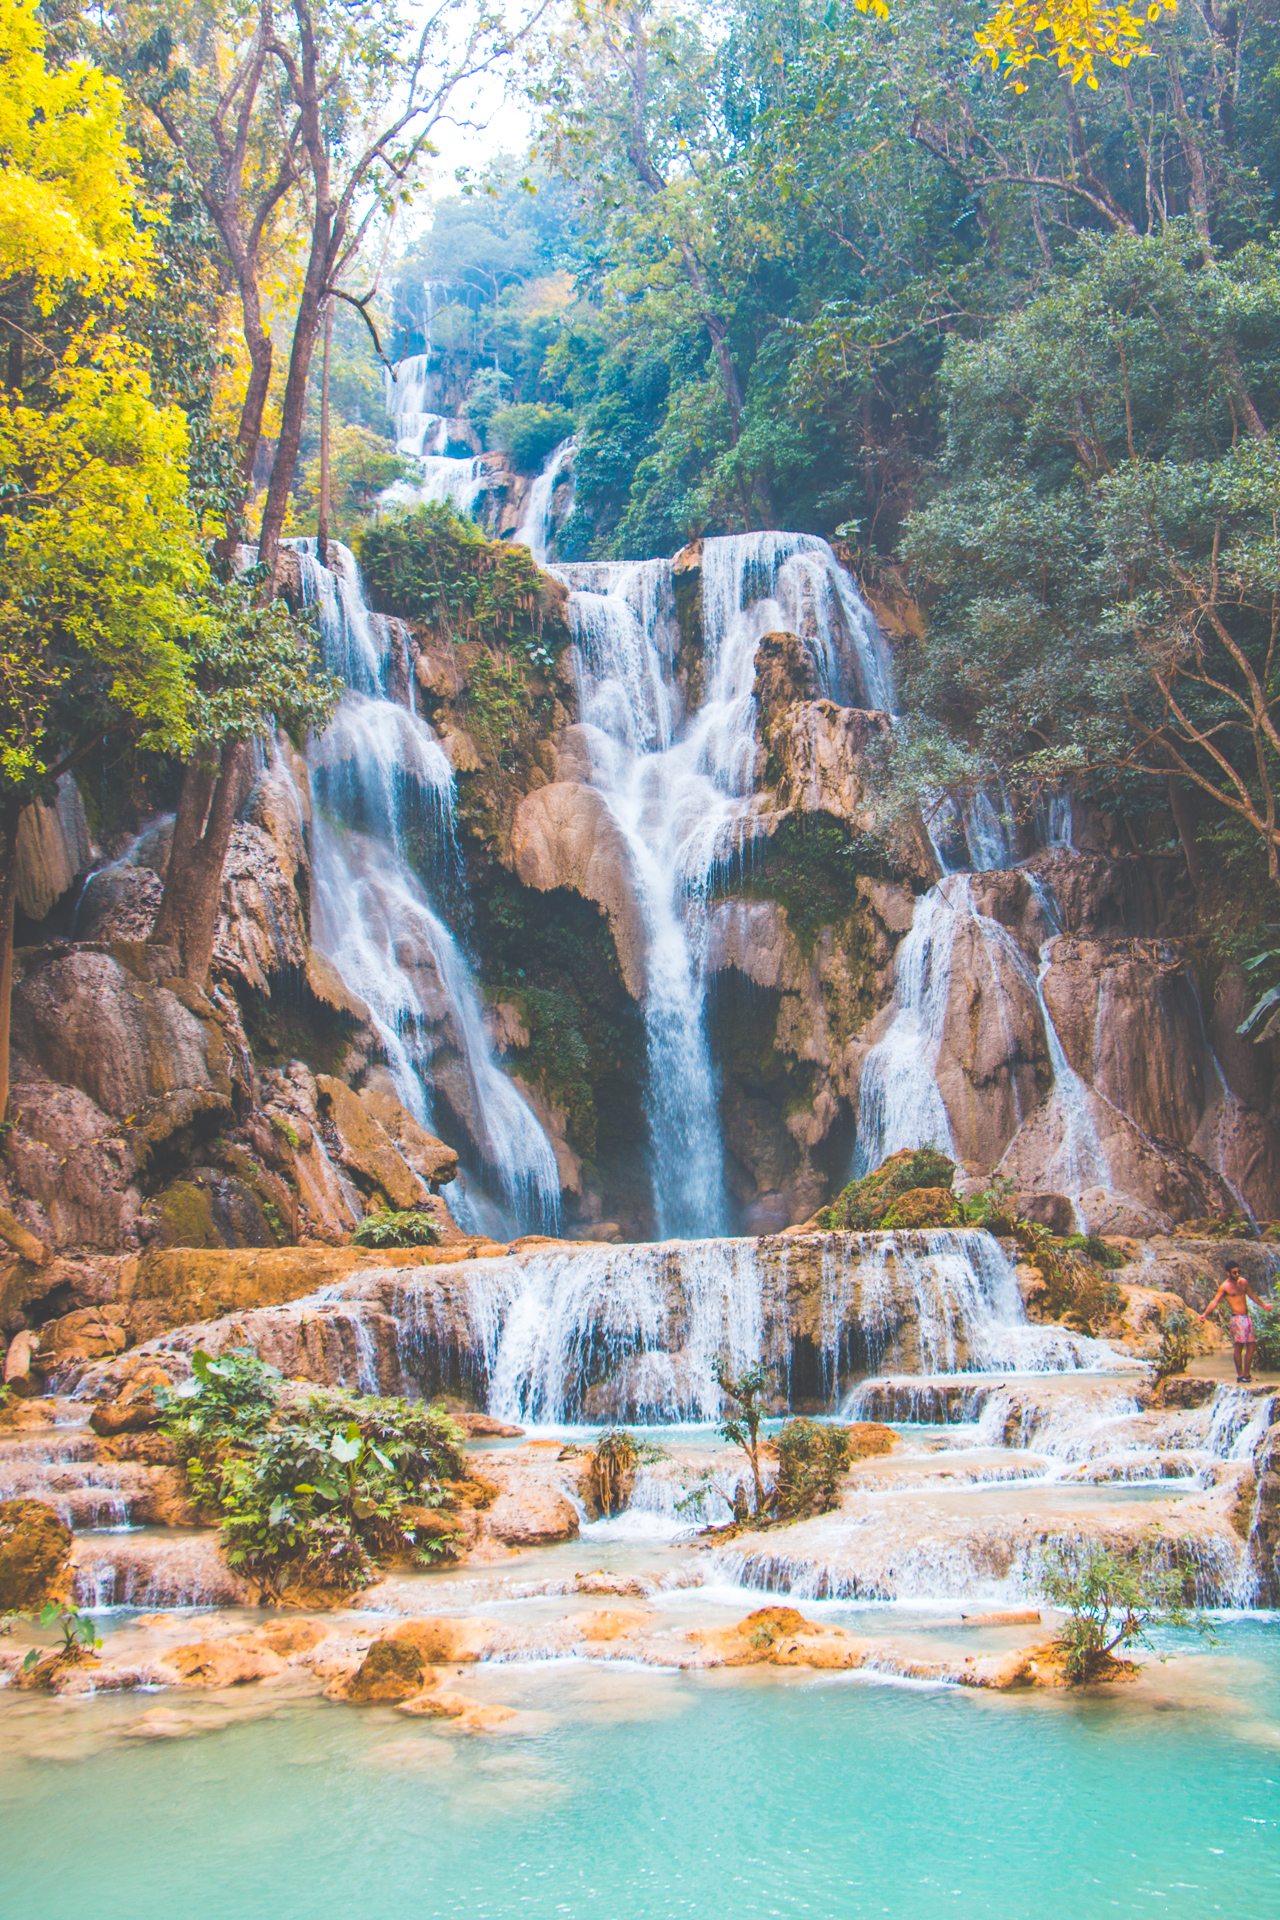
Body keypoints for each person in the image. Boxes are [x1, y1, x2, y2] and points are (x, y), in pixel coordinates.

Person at [1196, 1263, 1270, 1384]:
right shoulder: (1225, 1287)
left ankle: (1247, 1374)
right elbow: (1215, 1301)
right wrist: (1204, 1314)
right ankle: (1240, 1375)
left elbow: (1252, 1296)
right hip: (1237, 1319)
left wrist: (1264, 1305)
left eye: (1238, 1271)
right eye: (1234, 1272)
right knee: (1239, 1346)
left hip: (1247, 1318)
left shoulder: (1243, 1282)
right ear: (1228, 1273)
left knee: (1251, 1346)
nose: (1237, 1274)